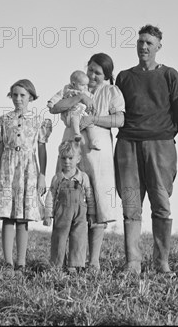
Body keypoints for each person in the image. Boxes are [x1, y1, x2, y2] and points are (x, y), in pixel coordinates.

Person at [114, 25, 178, 274]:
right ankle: (132, 261)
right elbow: (116, 110)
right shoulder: (124, 77)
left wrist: (162, 135)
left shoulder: (170, 75)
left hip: (161, 145)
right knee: (131, 205)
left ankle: (161, 261)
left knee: (161, 203)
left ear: (158, 47)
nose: (143, 47)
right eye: (140, 42)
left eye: (149, 43)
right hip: (128, 145)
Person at [48, 53, 125, 271]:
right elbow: (54, 107)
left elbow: (119, 119)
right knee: (67, 196)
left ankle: (93, 261)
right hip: (72, 145)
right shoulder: (74, 87)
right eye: (90, 69)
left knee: (97, 200)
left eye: (98, 73)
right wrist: (80, 98)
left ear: (107, 76)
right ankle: (65, 260)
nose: (92, 75)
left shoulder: (111, 91)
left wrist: (93, 119)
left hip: (97, 149)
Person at [0, 79, 52, 272]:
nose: (19, 99)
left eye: (23, 95)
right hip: (8, 167)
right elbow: (0, 148)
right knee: (8, 215)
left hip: (28, 167)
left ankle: (21, 262)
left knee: (23, 217)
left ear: (31, 97)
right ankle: (8, 261)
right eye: (15, 95)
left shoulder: (37, 121)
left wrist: (42, 174)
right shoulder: (3, 121)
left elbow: (41, 149)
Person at [43, 140, 96, 272]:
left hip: (80, 213)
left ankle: (74, 264)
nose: (67, 161)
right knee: (59, 237)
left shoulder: (83, 177)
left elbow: (89, 195)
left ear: (78, 159)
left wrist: (92, 212)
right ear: (59, 158)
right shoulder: (58, 178)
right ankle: (57, 264)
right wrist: (48, 214)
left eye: (70, 158)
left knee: (78, 237)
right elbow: (51, 195)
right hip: (62, 211)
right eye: (63, 158)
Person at [51, 70, 100, 150]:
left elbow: (91, 101)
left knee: (90, 125)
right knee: (75, 119)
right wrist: (51, 102)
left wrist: (92, 107)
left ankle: (93, 141)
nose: (85, 87)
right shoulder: (67, 90)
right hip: (72, 112)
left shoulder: (86, 92)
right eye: (82, 85)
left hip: (83, 114)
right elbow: (57, 96)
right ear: (74, 84)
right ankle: (76, 134)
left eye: (86, 85)